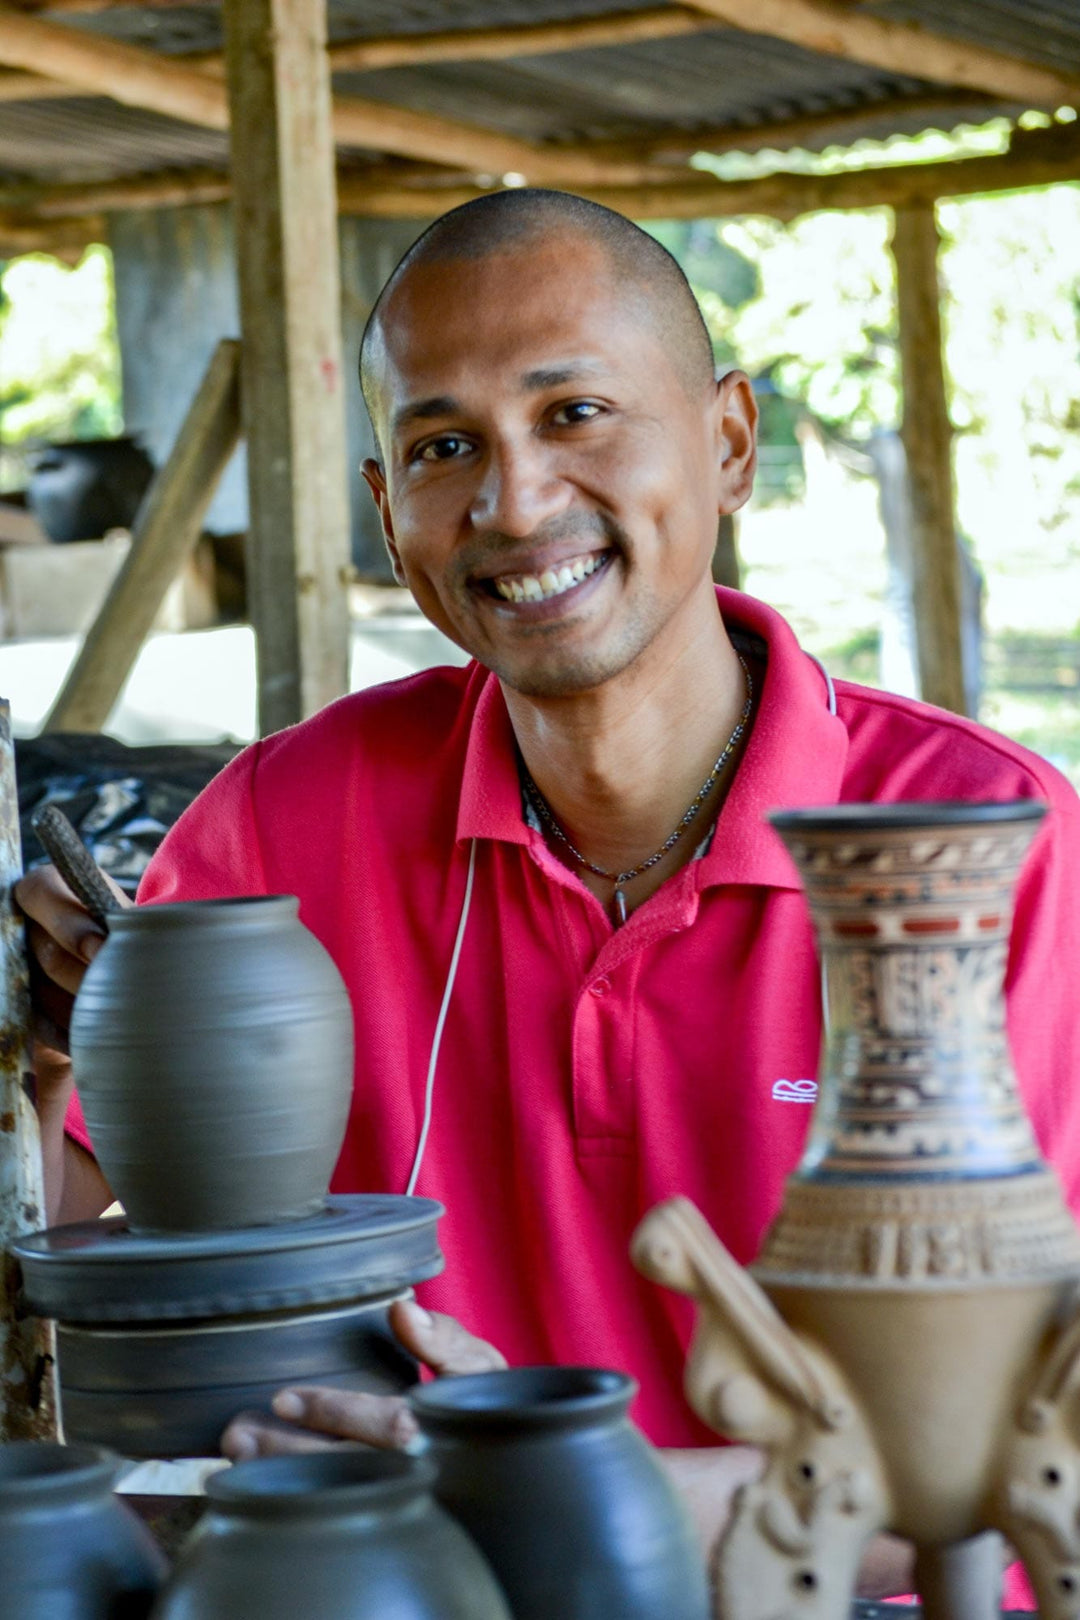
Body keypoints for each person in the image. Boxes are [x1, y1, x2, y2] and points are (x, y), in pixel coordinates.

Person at [17, 190, 1080, 1602]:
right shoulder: (284, 823)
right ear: (390, 514)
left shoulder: (979, 851)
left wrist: (552, 1484)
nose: (514, 504)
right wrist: (34, 1059)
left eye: (574, 413)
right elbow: (93, 1238)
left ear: (730, 444)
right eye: (445, 445)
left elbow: (1040, 1452)